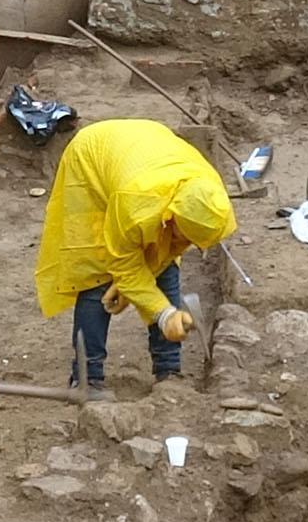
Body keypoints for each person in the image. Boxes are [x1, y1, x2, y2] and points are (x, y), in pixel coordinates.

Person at [33, 118, 237, 398]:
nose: (186, 245)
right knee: (97, 274)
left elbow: (168, 251)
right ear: (173, 218)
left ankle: (169, 369)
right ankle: (87, 378)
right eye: (185, 238)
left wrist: (144, 290)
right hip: (91, 159)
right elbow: (122, 263)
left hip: (142, 153)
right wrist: (163, 312)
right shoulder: (135, 202)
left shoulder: (207, 194)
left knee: (166, 268)